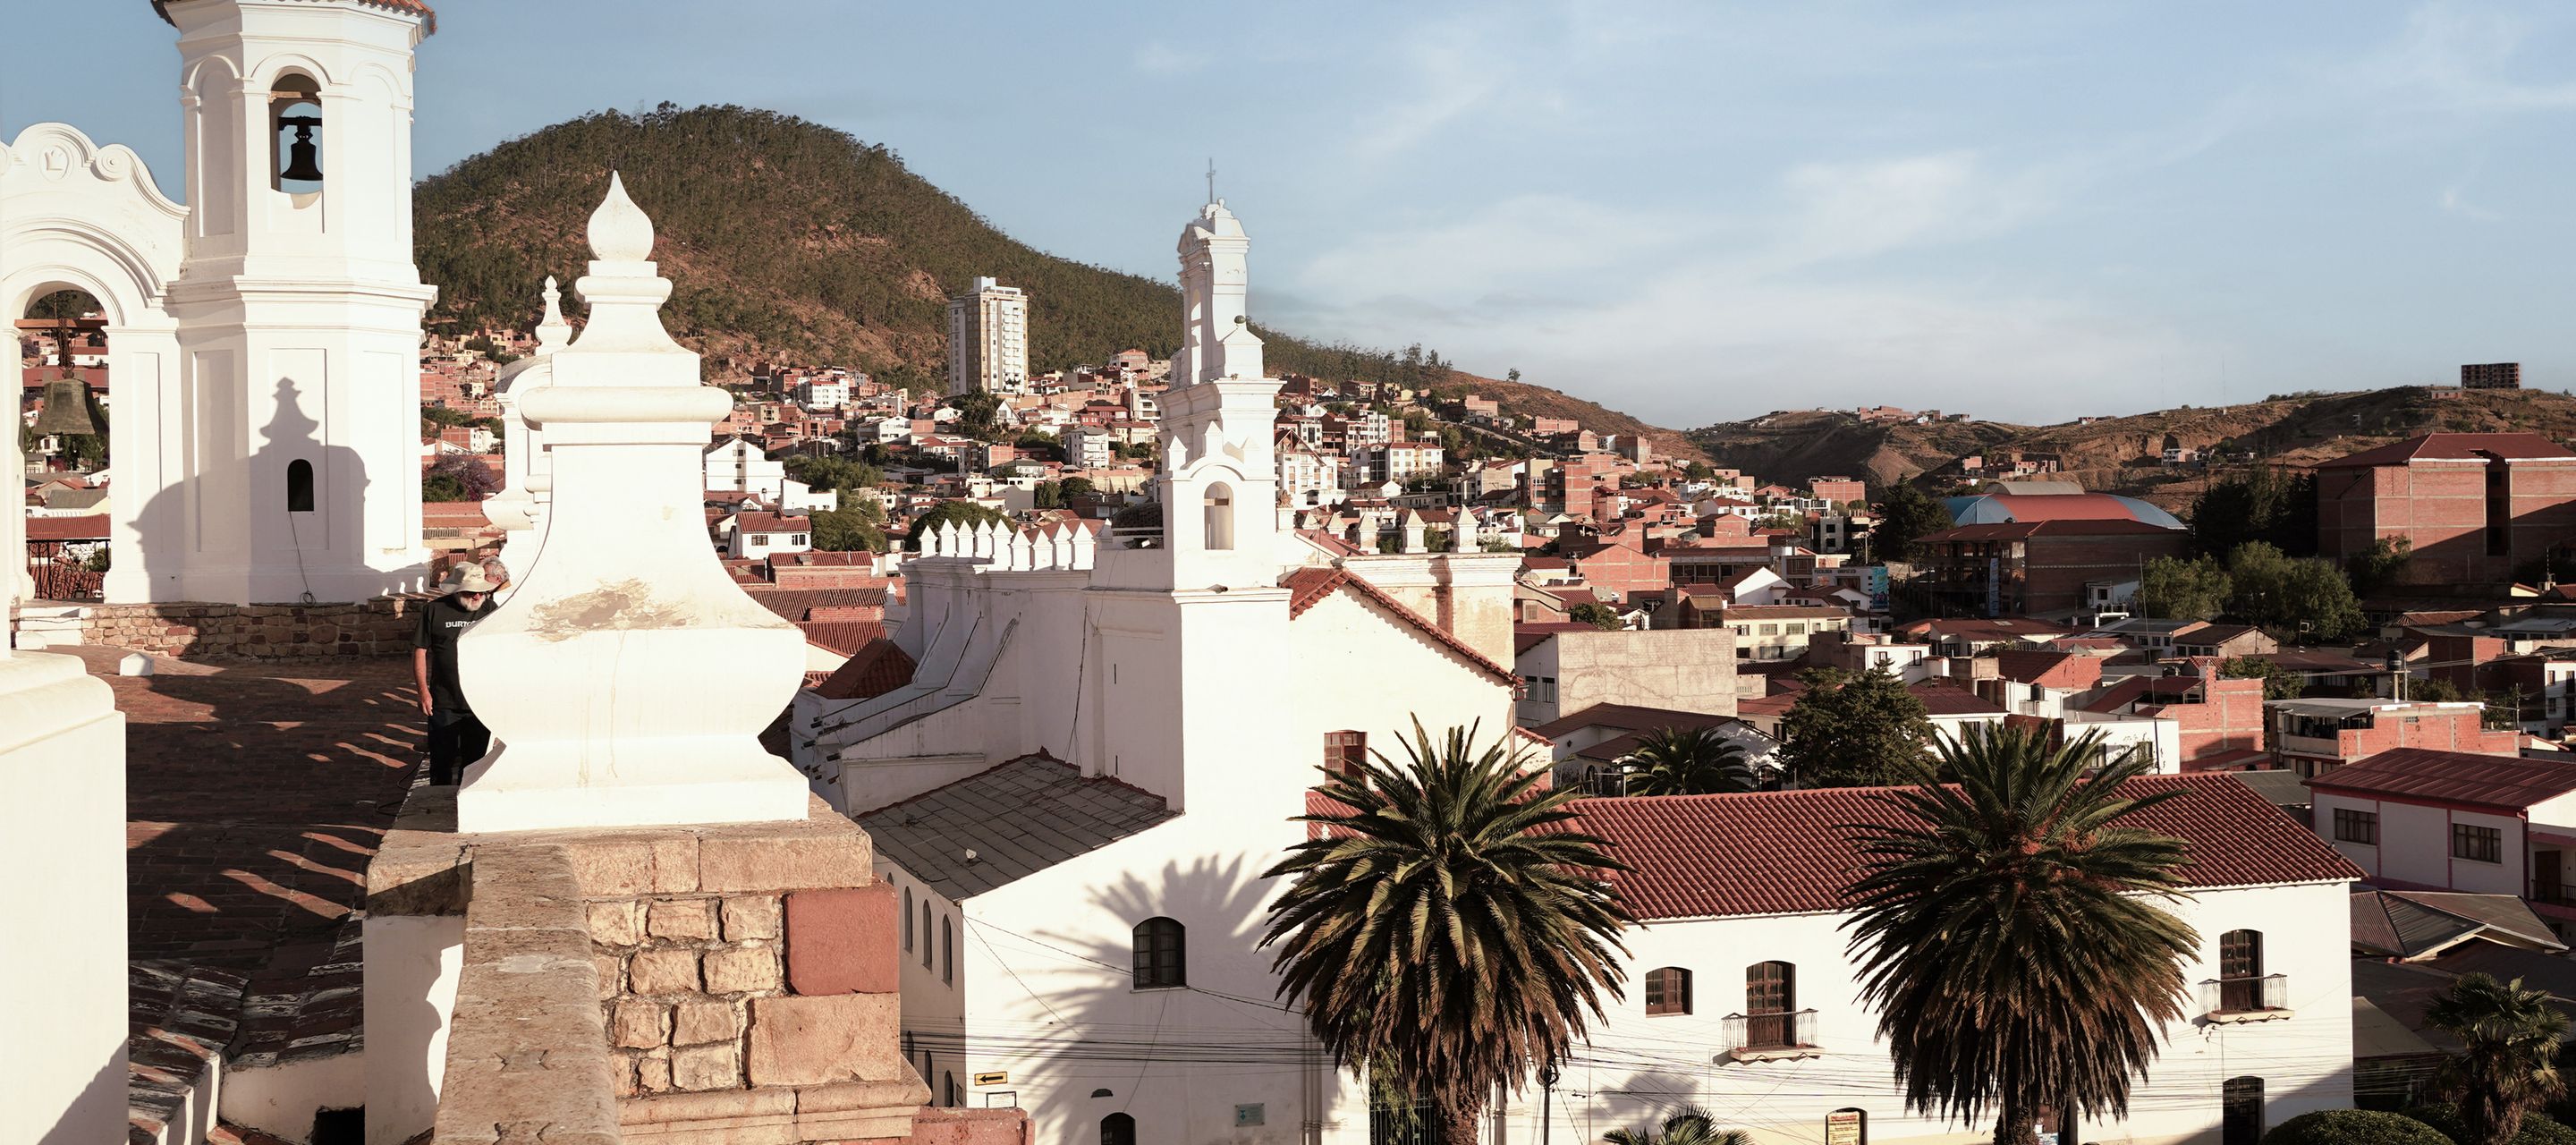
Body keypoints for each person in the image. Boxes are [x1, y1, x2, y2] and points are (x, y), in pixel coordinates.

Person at [414, 564, 497, 785]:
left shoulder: (490, 609)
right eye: (471, 592)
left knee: (475, 761)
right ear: (457, 590)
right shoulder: (434, 610)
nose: (477, 596)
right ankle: (436, 802)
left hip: (478, 701)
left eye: (481, 591)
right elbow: (420, 650)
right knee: (441, 760)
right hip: (443, 700)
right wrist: (423, 691)